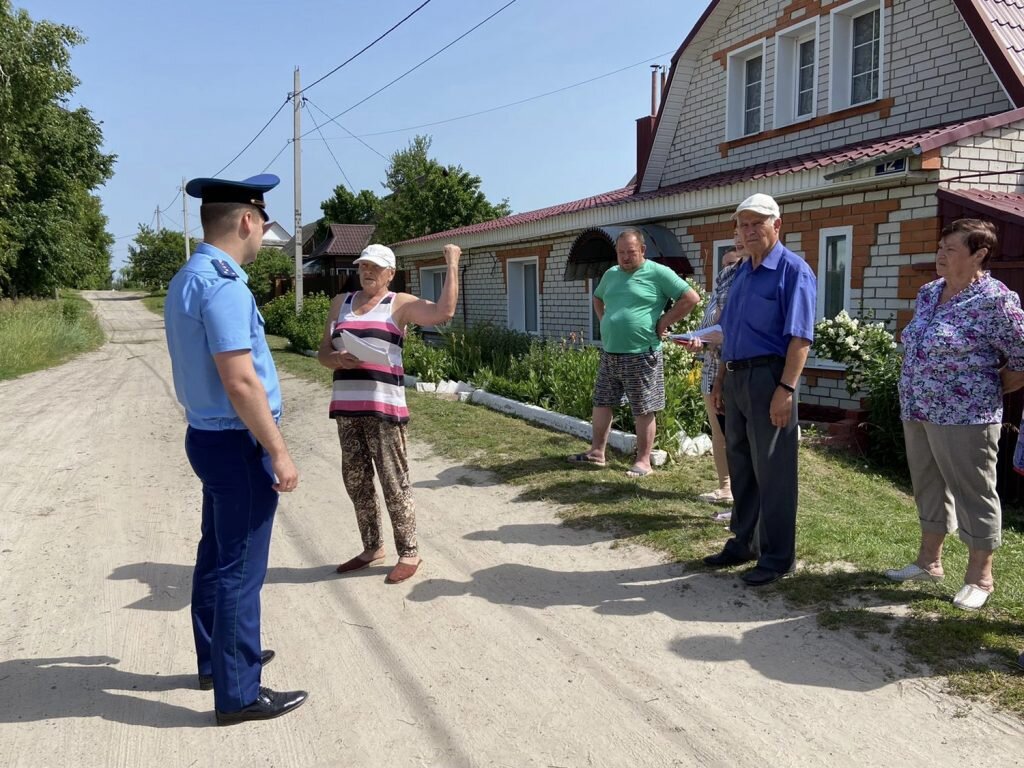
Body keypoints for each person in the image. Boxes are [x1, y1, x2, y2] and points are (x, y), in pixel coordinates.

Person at [164, 174, 307, 725]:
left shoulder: (188, 277)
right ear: (247, 220)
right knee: (239, 567)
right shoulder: (224, 284)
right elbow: (240, 379)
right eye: (263, 223)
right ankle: (239, 692)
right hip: (235, 442)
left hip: (207, 437)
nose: (262, 233)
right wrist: (279, 451)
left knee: (217, 554)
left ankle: (215, 662)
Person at [885, 218, 1024, 610]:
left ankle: (981, 576)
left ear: (979, 254)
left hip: (967, 415)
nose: (940, 255)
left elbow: (1021, 356)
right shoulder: (930, 293)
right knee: (928, 483)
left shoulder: (996, 299)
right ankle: (929, 561)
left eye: (951, 249)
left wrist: (991, 387)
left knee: (973, 491)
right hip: (917, 405)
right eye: (940, 247)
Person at [318, 242, 461, 584]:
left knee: (394, 481)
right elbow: (323, 351)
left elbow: (444, 312)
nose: (367, 272)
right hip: (347, 408)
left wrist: (452, 263)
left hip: (384, 408)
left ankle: (409, 552)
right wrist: (336, 359)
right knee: (356, 481)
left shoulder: (399, 303)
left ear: (390, 274)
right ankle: (372, 547)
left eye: (375, 267)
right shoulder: (342, 303)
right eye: (363, 266)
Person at [703, 193, 816, 586]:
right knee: (742, 465)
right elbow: (729, 332)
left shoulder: (792, 271)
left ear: (776, 225)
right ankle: (744, 542)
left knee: (774, 470)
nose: (749, 231)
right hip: (735, 378)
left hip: (771, 379)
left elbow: (800, 338)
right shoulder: (743, 273)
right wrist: (720, 380)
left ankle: (778, 556)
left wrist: (786, 388)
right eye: (743, 225)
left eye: (757, 223)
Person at [567, 228, 699, 477]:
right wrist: (605, 320)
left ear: (642, 250)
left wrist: (663, 322)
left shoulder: (658, 273)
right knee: (602, 401)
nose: (625, 257)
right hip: (610, 353)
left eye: (631, 252)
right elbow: (597, 298)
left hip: (642, 353)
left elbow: (690, 298)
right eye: (620, 253)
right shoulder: (611, 274)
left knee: (643, 408)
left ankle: (643, 461)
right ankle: (597, 453)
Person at [676, 233, 748, 520]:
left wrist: (709, 336)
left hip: (736, 370)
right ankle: (725, 488)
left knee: (736, 437)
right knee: (719, 434)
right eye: (725, 266)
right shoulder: (718, 290)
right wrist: (697, 340)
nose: (729, 269)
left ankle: (742, 501)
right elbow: (708, 328)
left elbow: (728, 331)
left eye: (734, 262)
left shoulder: (746, 287)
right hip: (713, 370)